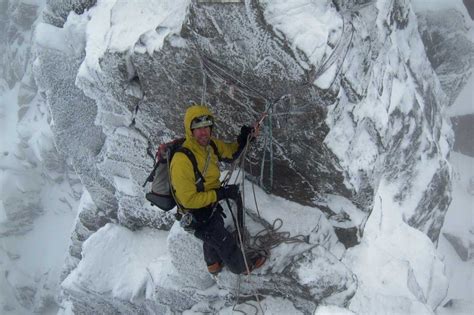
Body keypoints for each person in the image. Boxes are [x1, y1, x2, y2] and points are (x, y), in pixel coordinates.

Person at [170, 104, 266, 275]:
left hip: (209, 203)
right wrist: (219, 194)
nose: (203, 132)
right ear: (190, 130)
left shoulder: (210, 146)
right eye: (198, 128)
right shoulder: (181, 160)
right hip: (194, 212)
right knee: (222, 239)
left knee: (215, 228)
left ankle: (213, 263)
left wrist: (245, 138)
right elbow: (188, 200)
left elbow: (231, 153)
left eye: (206, 127)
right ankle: (242, 267)